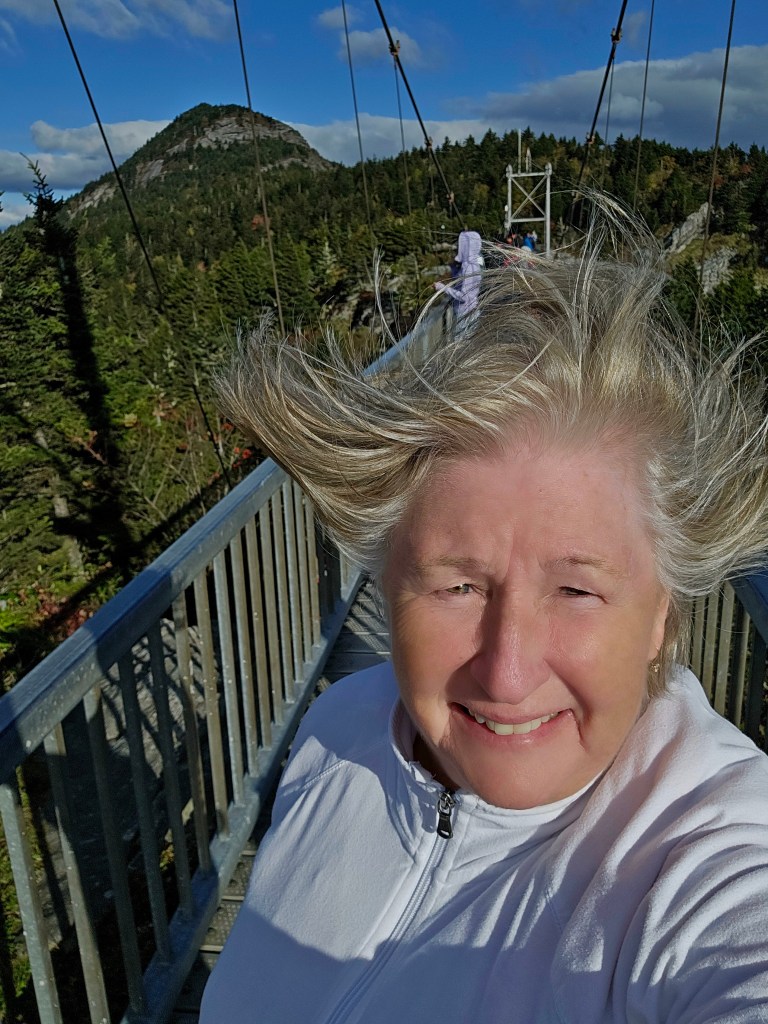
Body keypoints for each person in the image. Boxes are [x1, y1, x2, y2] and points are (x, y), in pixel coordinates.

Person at [200, 201, 768, 1024]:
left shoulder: (707, 854)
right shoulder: (336, 731)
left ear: (661, 615)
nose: (506, 672)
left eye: (576, 590)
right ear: (386, 583)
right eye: (457, 587)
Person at [434, 228, 483, 321]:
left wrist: (443, 288)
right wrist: (454, 269)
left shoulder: (469, 268)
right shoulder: (473, 264)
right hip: (468, 312)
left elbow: (464, 296)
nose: (458, 248)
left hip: (465, 315)